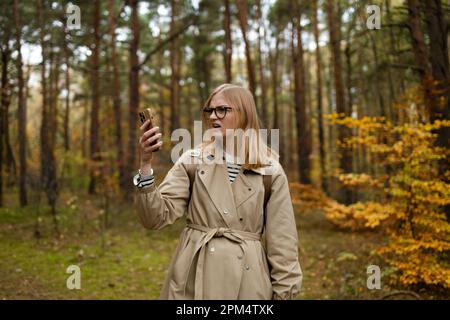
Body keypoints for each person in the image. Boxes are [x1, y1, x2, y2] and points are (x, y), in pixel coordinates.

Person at [133, 83, 302, 300]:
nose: (213, 116)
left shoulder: (270, 171)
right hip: (194, 281)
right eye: (210, 110)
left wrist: (284, 295)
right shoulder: (192, 161)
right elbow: (154, 218)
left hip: (248, 287)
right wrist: (145, 164)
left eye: (222, 109)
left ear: (244, 114)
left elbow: (284, 247)